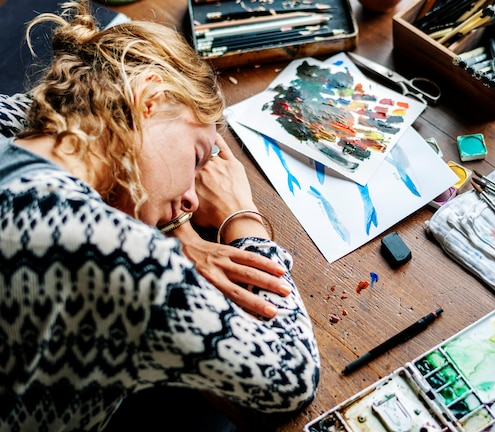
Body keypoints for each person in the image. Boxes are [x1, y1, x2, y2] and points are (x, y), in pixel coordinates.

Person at [0, 1, 320, 431]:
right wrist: (241, 216)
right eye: (197, 155)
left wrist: (174, 225)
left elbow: (35, 110)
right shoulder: (116, 256)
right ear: (148, 96)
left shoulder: (14, 130)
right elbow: (290, 376)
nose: (191, 198)